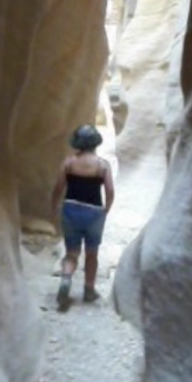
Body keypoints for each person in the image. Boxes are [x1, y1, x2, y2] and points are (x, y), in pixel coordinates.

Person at [50, 124, 115, 312]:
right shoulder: (103, 165)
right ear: (95, 143)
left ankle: (66, 279)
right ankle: (88, 289)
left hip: (70, 209)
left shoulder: (69, 163)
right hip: (94, 212)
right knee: (92, 253)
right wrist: (106, 209)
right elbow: (110, 190)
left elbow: (58, 188)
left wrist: (55, 208)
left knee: (72, 252)